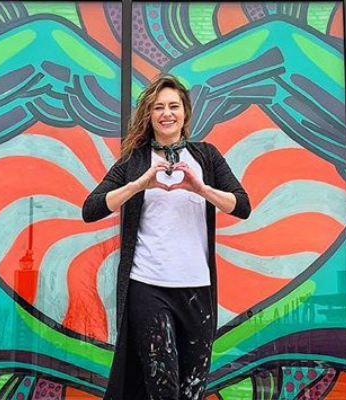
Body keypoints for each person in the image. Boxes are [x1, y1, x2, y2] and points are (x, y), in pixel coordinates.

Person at [82, 74, 251, 400]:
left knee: (191, 391)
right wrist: (137, 185)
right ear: (149, 114)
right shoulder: (135, 162)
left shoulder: (206, 157)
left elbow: (241, 205)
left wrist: (202, 189)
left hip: (196, 290)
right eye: (158, 107)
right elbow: (91, 209)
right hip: (148, 287)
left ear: (185, 113)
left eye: (173, 106)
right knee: (164, 389)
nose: (166, 113)